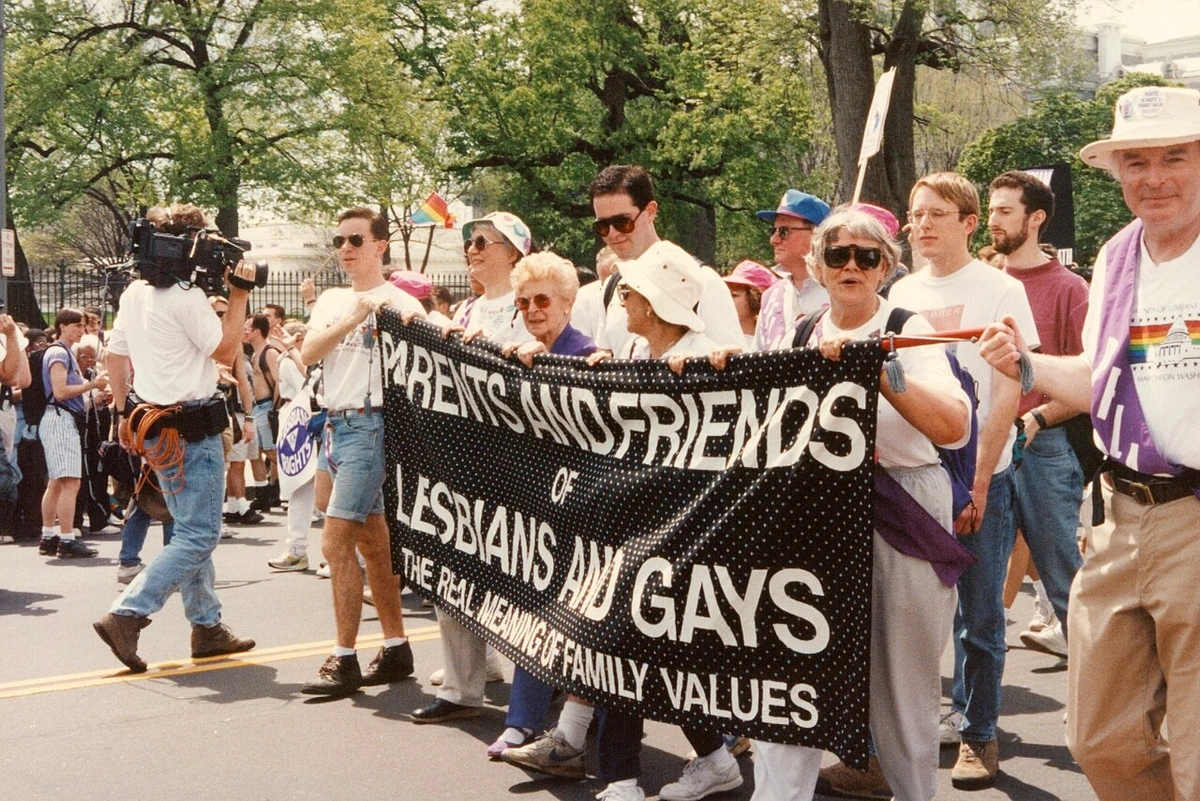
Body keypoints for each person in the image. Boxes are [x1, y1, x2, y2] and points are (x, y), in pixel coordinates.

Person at [979, 84, 1200, 801]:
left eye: (1175, 156)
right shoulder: (1116, 256)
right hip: (1121, 514)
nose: (1154, 177)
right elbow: (1103, 380)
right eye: (1135, 161)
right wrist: (1029, 366)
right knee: (1100, 740)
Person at [749, 207, 970, 801]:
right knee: (790, 678)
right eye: (838, 255)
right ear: (816, 265)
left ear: (886, 267)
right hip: (816, 514)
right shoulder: (799, 333)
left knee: (902, 682)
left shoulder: (908, 325)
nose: (852, 266)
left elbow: (953, 427)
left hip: (900, 505)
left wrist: (881, 373)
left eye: (867, 256)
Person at [887, 173, 1039, 789]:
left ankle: (979, 735)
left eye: (937, 214)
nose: (922, 225)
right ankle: (898, 741)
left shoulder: (1000, 289)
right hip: (912, 477)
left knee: (979, 618)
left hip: (981, 476)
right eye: (915, 215)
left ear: (970, 222)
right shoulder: (899, 289)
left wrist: (977, 482)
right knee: (905, 617)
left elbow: (1008, 387)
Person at [93, 202, 256, 672]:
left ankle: (207, 627)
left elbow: (116, 357)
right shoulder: (185, 298)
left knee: (188, 531)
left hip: (154, 427)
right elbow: (225, 349)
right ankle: (127, 614)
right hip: (192, 430)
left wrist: (124, 413)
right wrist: (239, 293)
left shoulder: (135, 294)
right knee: (201, 534)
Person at [411, 211, 535, 724]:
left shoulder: (531, 306)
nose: (472, 249)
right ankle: (464, 684)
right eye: (469, 242)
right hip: (461, 459)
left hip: (517, 464)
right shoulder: (462, 311)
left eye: (483, 241)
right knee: (453, 570)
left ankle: (537, 684)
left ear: (514, 252)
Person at [298, 206, 424, 696]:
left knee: (334, 542)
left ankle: (344, 657)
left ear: (380, 246)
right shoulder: (332, 300)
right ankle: (395, 646)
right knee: (373, 541)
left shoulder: (398, 300)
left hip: (373, 423)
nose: (346, 249)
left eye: (356, 240)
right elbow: (309, 353)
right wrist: (354, 316)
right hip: (337, 423)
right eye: (340, 240)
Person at [485, 252, 596, 758]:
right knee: (532, 609)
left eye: (542, 299)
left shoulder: (589, 355)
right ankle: (523, 720)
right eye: (523, 301)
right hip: (537, 508)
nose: (532, 309)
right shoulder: (520, 352)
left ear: (569, 303)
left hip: (584, 510)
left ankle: (720, 741)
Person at [988, 170, 1088, 659]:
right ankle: (973, 718)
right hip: (982, 445)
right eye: (990, 210)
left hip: (1041, 448)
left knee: (1066, 582)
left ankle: (1099, 705)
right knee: (979, 593)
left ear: (1036, 219)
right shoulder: (983, 284)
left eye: (1005, 211)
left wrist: (1037, 420)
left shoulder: (1070, 289)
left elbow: (1090, 384)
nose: (993, 221)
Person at [589, 165, 742, 356]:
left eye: (622, 222)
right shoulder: (613, 286)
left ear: (651, 211)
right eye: (602, 226)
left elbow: (732, 364)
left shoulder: (701, 280)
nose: (612, 233)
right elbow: (607, 351)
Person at [37, 308, 104, 558]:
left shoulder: (62, 353)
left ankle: (49, 536)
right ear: (62, 326)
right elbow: (60, 391)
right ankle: (66, 539)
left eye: (83, 326)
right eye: (77, 325)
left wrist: (93, 397)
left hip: (60, 418)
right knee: (70, 482)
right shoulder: (58, 352)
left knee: (56, 482)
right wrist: (92, 385)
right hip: (60, 419)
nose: (81, 330)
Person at [753, 190, 831, 351]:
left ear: (817, 235)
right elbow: (757, 357)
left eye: (784, 231)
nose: (773, 240)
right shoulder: (770, 297)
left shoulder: (840, 291)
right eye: (773, 231)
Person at [722, 260, 776, 350]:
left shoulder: (769, 345)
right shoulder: (716, 338)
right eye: (726, 293)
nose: (726, 299)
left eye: (734, 295)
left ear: (755, 299)